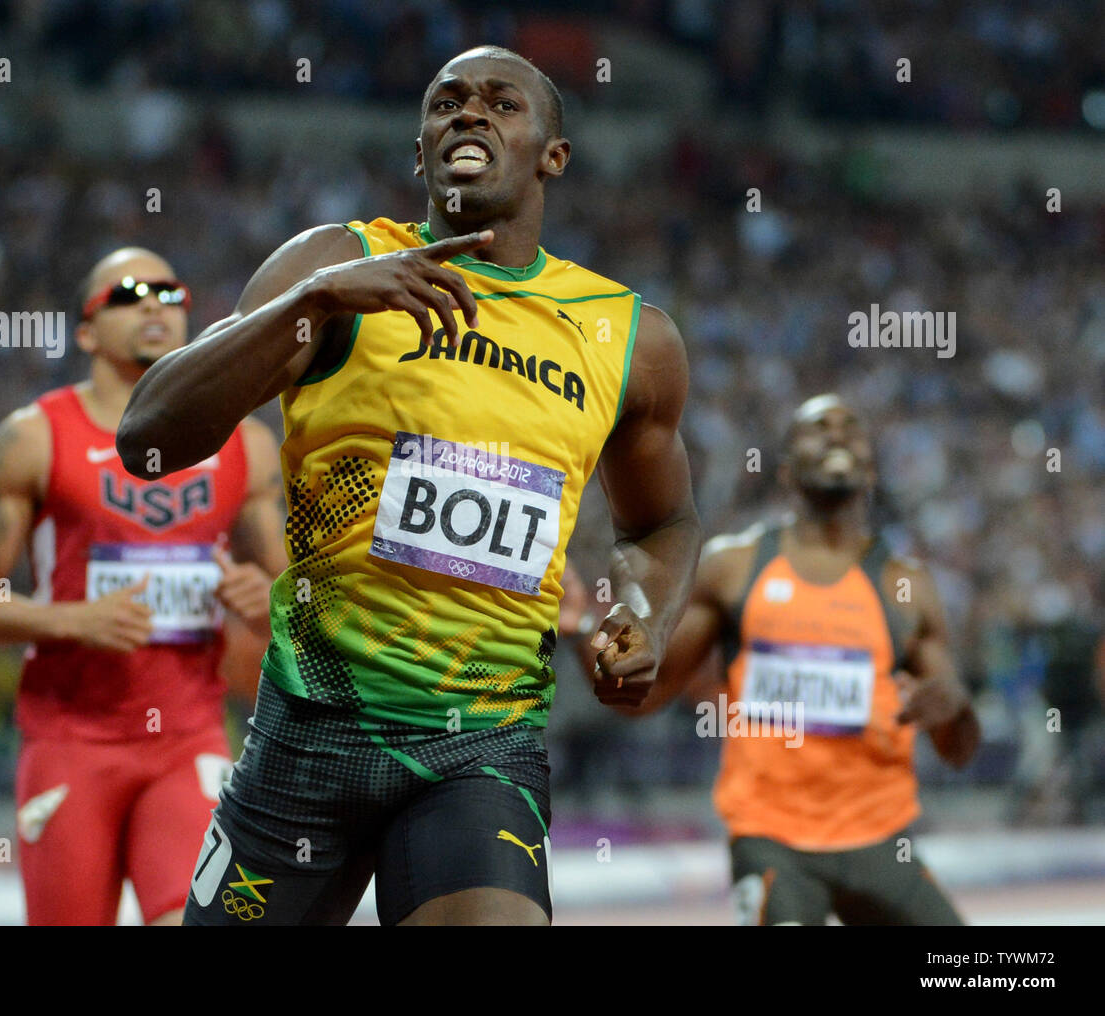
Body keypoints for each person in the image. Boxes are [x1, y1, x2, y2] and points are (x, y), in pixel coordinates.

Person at [117, 45, 701, 926]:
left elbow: (662, 523)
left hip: (483, 744)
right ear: (418, 149)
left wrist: (642, 616)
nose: (468, 114)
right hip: (307, 733)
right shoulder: (337, 263)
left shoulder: (629, 338)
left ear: (554, 154)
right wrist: (312, 302)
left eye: (503, 104)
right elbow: (148, 440)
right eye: (445, 103)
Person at [0, 247, 286, 925]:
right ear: (87, 332)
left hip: (188, 740)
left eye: (167, 290)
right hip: (72, 742)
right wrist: (69, 621)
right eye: (126, 293)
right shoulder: (35, 438)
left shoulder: (246, 447)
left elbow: (291, 595)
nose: (153, 303)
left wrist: (265, 603)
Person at [604, 394, 980, 925]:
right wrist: (591, 638)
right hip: (771, 838)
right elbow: (641, 696)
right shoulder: (733, 567)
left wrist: (958, 711)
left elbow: (959, 749)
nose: (835, 433)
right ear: (784, 471)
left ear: (870, 469)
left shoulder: (907, 587)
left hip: (879, 839)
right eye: (817, 426)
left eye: (850, 426)